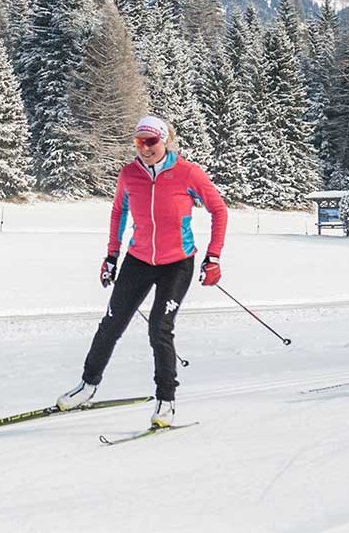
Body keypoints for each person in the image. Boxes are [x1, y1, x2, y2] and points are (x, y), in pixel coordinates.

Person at [55, 114, 228, 427]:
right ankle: (87, 386)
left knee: (158, 329)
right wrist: (111, 256)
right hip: (138, 260)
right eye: (139, 142)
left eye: (151, 142)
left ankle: (166, 402)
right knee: (111, 324)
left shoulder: (187, 173)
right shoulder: (129, 174)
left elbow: (219, 209)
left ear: (165, 141)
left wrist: (213, 256)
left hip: (177, 263)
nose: (145, 148)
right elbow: (118, 213)